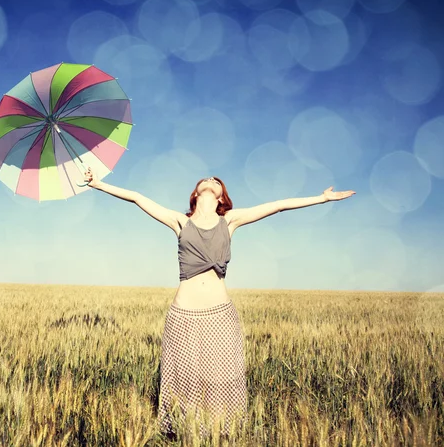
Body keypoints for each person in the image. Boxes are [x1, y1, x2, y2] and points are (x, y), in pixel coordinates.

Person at [83, 167, 355, 440]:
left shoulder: (230, 221)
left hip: (220, 315)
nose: (211, 179)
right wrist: (98, 184)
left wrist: (321, 198)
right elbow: (137, 198)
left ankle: (222, 436)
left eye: (216, 182)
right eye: (206, 180)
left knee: (222, 378)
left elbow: (278, 206)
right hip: (183, 315)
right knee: (183, 378)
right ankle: (184, 434)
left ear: (221, 196)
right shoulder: (179, 222)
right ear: (196, 193)